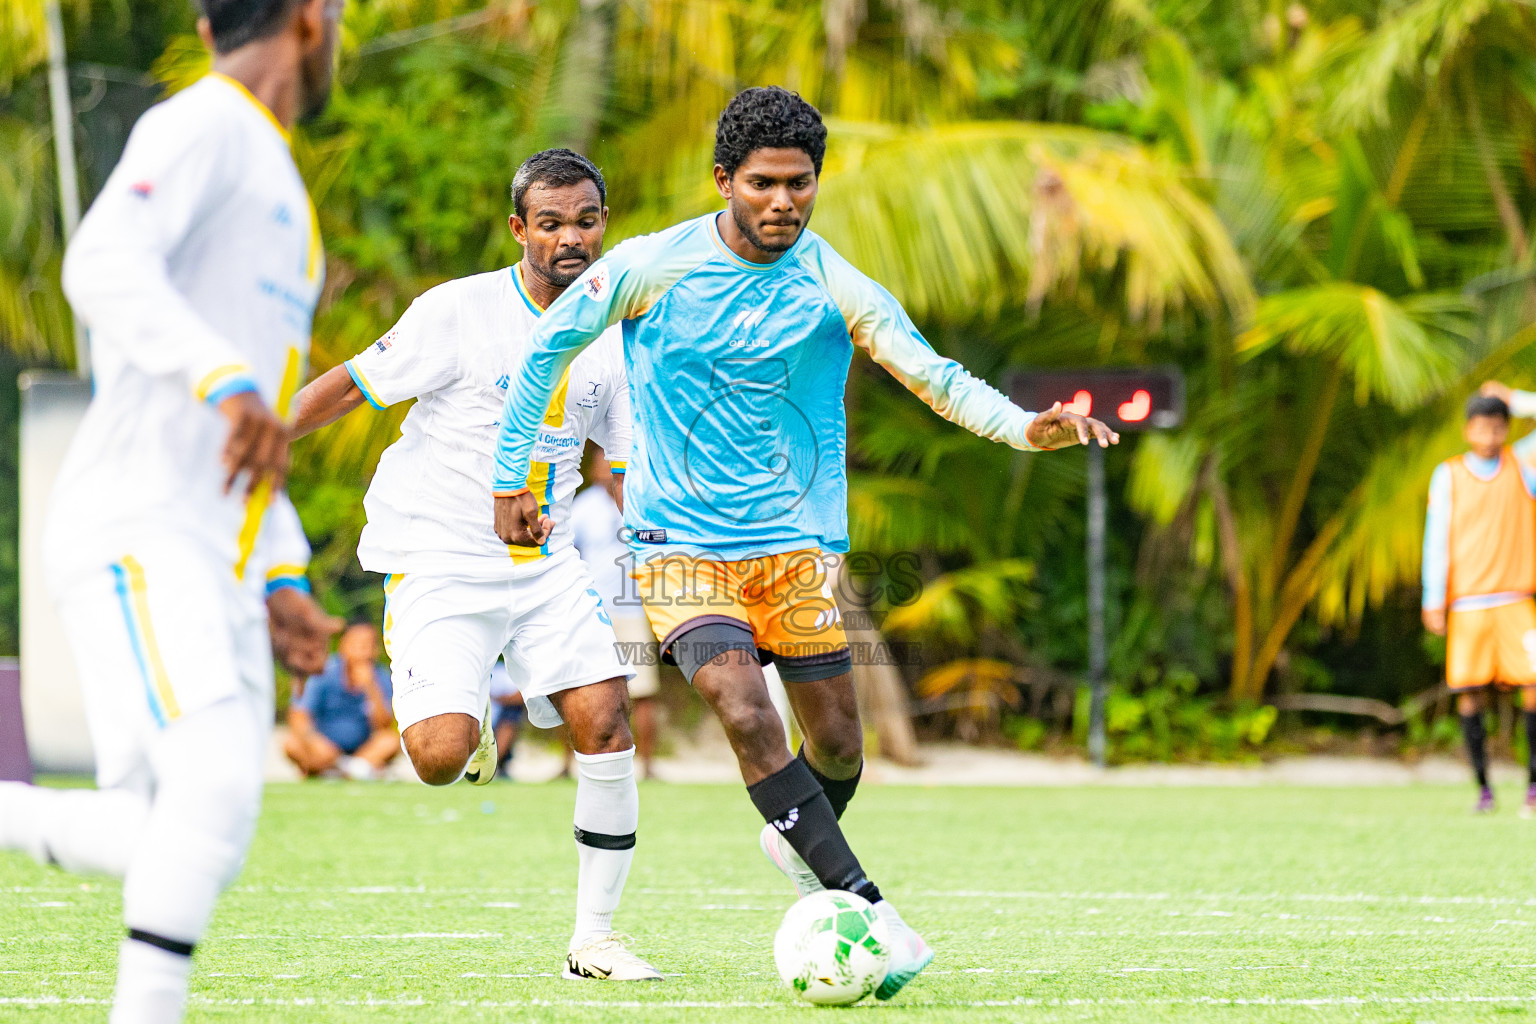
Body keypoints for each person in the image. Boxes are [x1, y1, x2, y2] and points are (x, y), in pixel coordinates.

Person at [491, 87, 1118, 999]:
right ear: (723, 182)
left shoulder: (835, 281)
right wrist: (513, 478)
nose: (784, 201)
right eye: (763, 184)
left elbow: (934, 376)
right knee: (746, 712)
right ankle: (870, 908)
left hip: (795, 554)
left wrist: (1027, 428)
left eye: (800, 183)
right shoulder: (648, 267)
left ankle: (795, 833)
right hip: (676, 548)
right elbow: (549, 348)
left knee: (839, 750)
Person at [0, 0, 343, 1019]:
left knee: (185, 829)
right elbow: (100, 264)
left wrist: (280, 569)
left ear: (202, 26)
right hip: (141, 527)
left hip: (219, 555)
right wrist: (225, 377)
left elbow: (261, 431)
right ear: (312, 19)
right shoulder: (206, 122)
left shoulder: (280, 181)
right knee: (214, 787)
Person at [290, 148, 658, 981]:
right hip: (438, 557)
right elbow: (353, 385)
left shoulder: (618, 333)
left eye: (587, 220)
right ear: (519, 228)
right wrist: (259, 447)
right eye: (553, 222)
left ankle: (594, 939)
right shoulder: (457, 311)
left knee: (606, 721)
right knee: (438, 757)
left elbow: (633, 464)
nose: (572, 237)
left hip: (548, 560)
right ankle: (467, 725)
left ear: (605, 223)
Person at [1425, 386, 1536, 815]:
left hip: (1515, 599)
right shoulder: (1448, 474)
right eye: (1482, 426)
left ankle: (1532, 785)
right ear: (1467, 429)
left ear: (1507, 429)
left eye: (1498, 426)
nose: (1490, 435)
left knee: (1532, 686)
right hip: (1468, 603)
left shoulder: (1523, 467)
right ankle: (1484, 788)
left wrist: (1517, 398)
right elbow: (1436, 539)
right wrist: (1434, 597)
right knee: (1469, 694)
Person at [571, 454, 661, 779]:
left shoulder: (642, 503)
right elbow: (569, 551)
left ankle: (648, 766)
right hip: (593, 610)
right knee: (575, 684)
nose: (607, 470)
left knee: (644, 691)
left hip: (634, 609)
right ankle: (569, 764)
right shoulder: (583, 506)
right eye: (602, 463)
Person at [284, 622, 398, 779]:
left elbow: (384, 726)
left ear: (376, 650)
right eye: (356, 644)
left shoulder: (382, 677)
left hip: (363, 751)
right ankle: (349, 770)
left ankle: (341, 770)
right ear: (343, 645)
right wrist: (315, 741)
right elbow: (299, 716)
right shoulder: (323, 672)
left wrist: (371, 689)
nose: (362, 650)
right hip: (324, 746)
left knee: (390, 741)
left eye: (367, 645)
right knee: (292, 744)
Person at [488, 657, 526, 779]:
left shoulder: (504, 670)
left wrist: (495, 698)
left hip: (496, 721)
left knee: (512, 715)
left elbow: (520, 696)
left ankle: (492, 766)